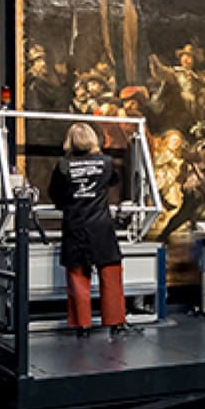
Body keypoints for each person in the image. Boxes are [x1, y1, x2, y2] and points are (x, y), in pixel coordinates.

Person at [47, 123, 136, 338]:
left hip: (75, 226)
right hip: (101, 227)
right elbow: (114, 180)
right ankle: (116, 322)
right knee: (111, 274)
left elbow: (55, 194)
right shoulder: (105, 163)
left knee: (78, 277)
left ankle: (82, 326)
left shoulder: (63, 165)